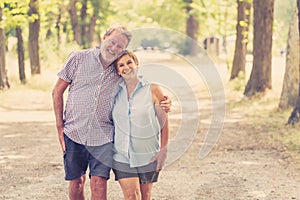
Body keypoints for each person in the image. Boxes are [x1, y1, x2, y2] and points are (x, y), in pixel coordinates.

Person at [52, 25, 171, 200]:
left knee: (99, 183)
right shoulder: (78, 58)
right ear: (104, 37)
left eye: (120, 46)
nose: (114, 48)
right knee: (76, 182)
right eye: (112, 42)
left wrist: (164, 101)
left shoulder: (120, 70)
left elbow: (138, 80)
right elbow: (57, 91)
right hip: (74, 132)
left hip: (104, 137)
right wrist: (59, 125)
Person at [112, 51, 169, 200]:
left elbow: (164, 122)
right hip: (121, 155)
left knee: (145, 196)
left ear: (136, 64)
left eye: (129, 62)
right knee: (132, 196)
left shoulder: (152, 89)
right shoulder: (113, 92)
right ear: (118, 71)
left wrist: (163, 150)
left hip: (147, 154)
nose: (126, 67)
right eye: (121, 65)